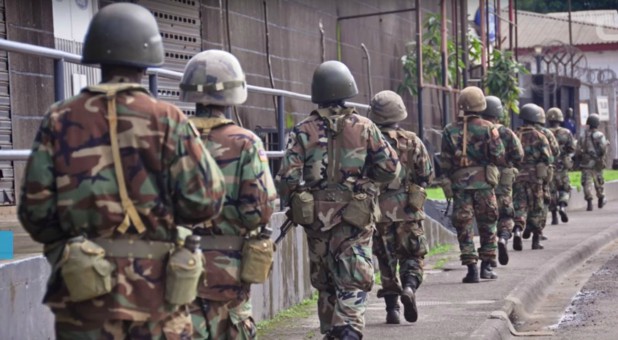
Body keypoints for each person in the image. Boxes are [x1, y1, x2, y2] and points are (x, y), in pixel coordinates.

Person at [17, 3, 226, 339]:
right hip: (158, 298)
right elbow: (205, 201)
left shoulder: (60, 118)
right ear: (150, 54)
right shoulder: (168, 119)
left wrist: (75, 240)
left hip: (84, 298)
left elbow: (35, 212)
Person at [276, 60, 399, 340]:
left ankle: (332, 330)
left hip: (316, 218)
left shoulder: (302, 130)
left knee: (325, 281)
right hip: (355, 215)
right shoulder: (365, 127)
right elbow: (391, 168)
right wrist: (367, 184)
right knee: (354, 276)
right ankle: (350, 330)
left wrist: (302, 197)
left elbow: (287, 179)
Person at [179, 50, 278, 339]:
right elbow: (258, 211)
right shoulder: (246, 143)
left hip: (176, 265)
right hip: (230, 268)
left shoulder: (168, 137)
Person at [368, 90, 433, 324]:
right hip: (408, 207)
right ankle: (409, 287)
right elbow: (426, 174)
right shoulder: (412, 140)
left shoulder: (369, 140)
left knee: (385, 260)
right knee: (412, 254)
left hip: (377, 211)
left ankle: (392, 308)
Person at [440, 86, 506, 283]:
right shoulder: (489, 128)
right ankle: (487, 266)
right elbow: (499, 156)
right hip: (485, 184)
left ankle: (471, 269)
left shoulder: (449, 130)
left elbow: (445, 161)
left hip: (460, 186)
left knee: (464, 225)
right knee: (488, 224)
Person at [479, 96, 523, 266]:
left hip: (483, 178)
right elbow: (518, 154)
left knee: (488, 217)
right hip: (504, 178)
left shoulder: (479, 128)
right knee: (505, 212)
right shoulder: (506, 132)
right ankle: (504, 238)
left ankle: (488, 257)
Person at [512, 104, 553, 250]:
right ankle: (536, 240)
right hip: (535, 177)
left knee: (520, 204)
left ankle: (517, 229)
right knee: (537, 206)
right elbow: (548, 158)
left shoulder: (515, 134)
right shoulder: (540, 136)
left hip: (517, 176)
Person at [532, 107, 559, 241]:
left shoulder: (518, 132)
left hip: (520, 174)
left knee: (522, 202)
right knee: (543, 199)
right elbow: (554, 151)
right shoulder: (545, 133)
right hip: (540, 173)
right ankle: (539, 231)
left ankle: (522, 227)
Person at [546, 108, 576, 224]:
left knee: (551, 191)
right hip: (562, 166)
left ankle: (554, 217)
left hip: (549, 166)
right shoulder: (566, 132)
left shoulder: (544, 132)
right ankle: (562, 206)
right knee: (564, 189)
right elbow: (572, 148)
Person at [575, 113, 609, 211]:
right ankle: (601, 198)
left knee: (587, 182)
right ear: (597, 124)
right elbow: (603, 149)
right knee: (599, 181)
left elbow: (578, 149)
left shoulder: (583, 136)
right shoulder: (600, 135)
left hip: (586, 163)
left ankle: (589, 202)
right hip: (597, 163)